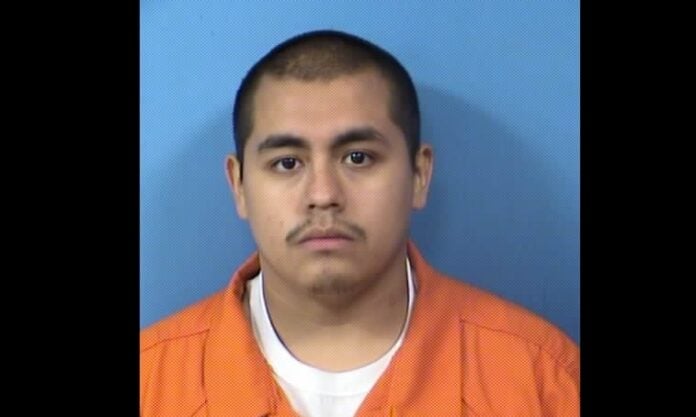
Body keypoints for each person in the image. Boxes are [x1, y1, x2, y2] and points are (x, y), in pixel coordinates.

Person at [140, 29, 579, 417]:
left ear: (419, 175)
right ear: (238, 186)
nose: (323, 194)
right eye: (287, 162)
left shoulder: (540, 378)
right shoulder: (150, 382)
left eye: (358, 157)